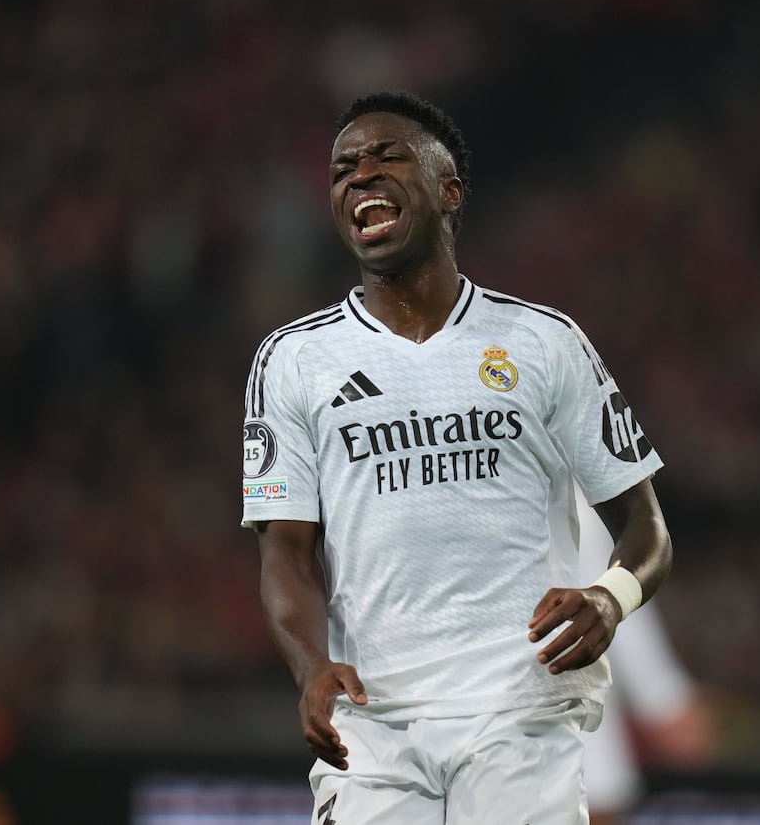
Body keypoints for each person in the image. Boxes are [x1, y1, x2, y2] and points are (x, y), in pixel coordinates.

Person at [241, 90, 672, 825]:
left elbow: (646, 529)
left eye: (387, 156)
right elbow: (286, 550)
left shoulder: (545, 344)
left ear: (449, 190)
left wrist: (610, 597)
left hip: (520, 715)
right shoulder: (293, 361)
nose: (360, 175)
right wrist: (310, 667)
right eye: (344, 167)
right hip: (372, 726)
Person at [576, 484, 715, 825]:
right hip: (573, 763)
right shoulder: (568, 495)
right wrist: (664, 698)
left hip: (455, 760)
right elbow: (607, 603)